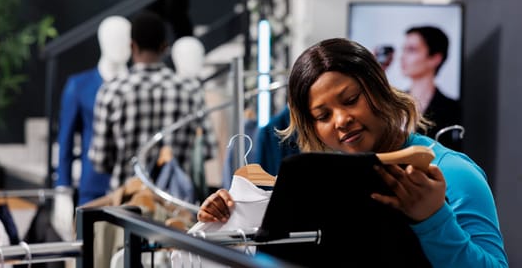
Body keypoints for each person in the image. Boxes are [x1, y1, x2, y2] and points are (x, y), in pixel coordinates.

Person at [198, 38, 508, 267]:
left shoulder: (451, 173)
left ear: (379, 88)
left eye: (350, 99)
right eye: (322, 116)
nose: (341, 120)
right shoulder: (324, 183)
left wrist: (434, 219)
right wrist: (228, 216)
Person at [89, 11, 217, 191]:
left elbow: (100, 160)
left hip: (128, 202)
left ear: (132, 46)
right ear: (165, 47)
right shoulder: (191, 90)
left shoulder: (112, 91)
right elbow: (208, 150)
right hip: (176, 204)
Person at [51, 16, 131, 241]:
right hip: (93, 185)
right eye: (114, 38)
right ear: (101, 40)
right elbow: (65, 140)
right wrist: (62, 189)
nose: (120, 44)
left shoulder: (139, 84)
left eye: (125, 38)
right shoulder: (79, 85)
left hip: (131, 188)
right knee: (90, 252)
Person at [400, 26, 462, 149]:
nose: (402, 57)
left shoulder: (453, 109)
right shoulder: (392, 104)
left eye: (411, 50)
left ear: (435, 58)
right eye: (404, 50)